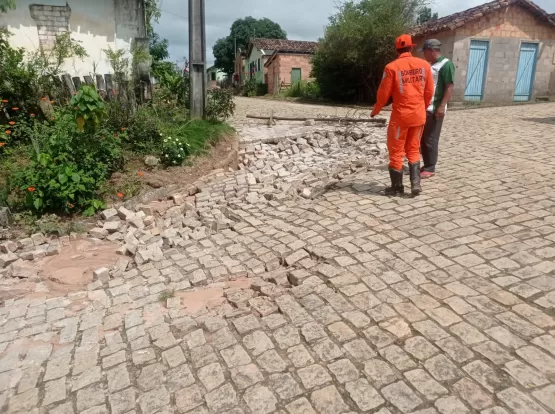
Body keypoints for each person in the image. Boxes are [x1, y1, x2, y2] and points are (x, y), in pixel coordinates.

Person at [371, 34, 434, 196]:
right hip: (418, 115)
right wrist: (422, 107)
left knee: (396, 151)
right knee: (413, 149)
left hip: (400, 117)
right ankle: (415, 185)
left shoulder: (391, 67)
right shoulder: (424, 65)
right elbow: (429, 92)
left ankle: (397, 187)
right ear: (411, 47)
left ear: (397, 49)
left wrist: (377, 109)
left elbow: (384, 93)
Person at [419, 39, 455, 178]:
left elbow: (449, 86)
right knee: (424, 138)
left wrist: (441, 106)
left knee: (431, 138)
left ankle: (430, 167)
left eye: (425, 52)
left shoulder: (446, 65)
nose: (424, 55)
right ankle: (427, 163)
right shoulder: (432, 64)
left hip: (435, 108)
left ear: (431, 50)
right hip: (426, 107)